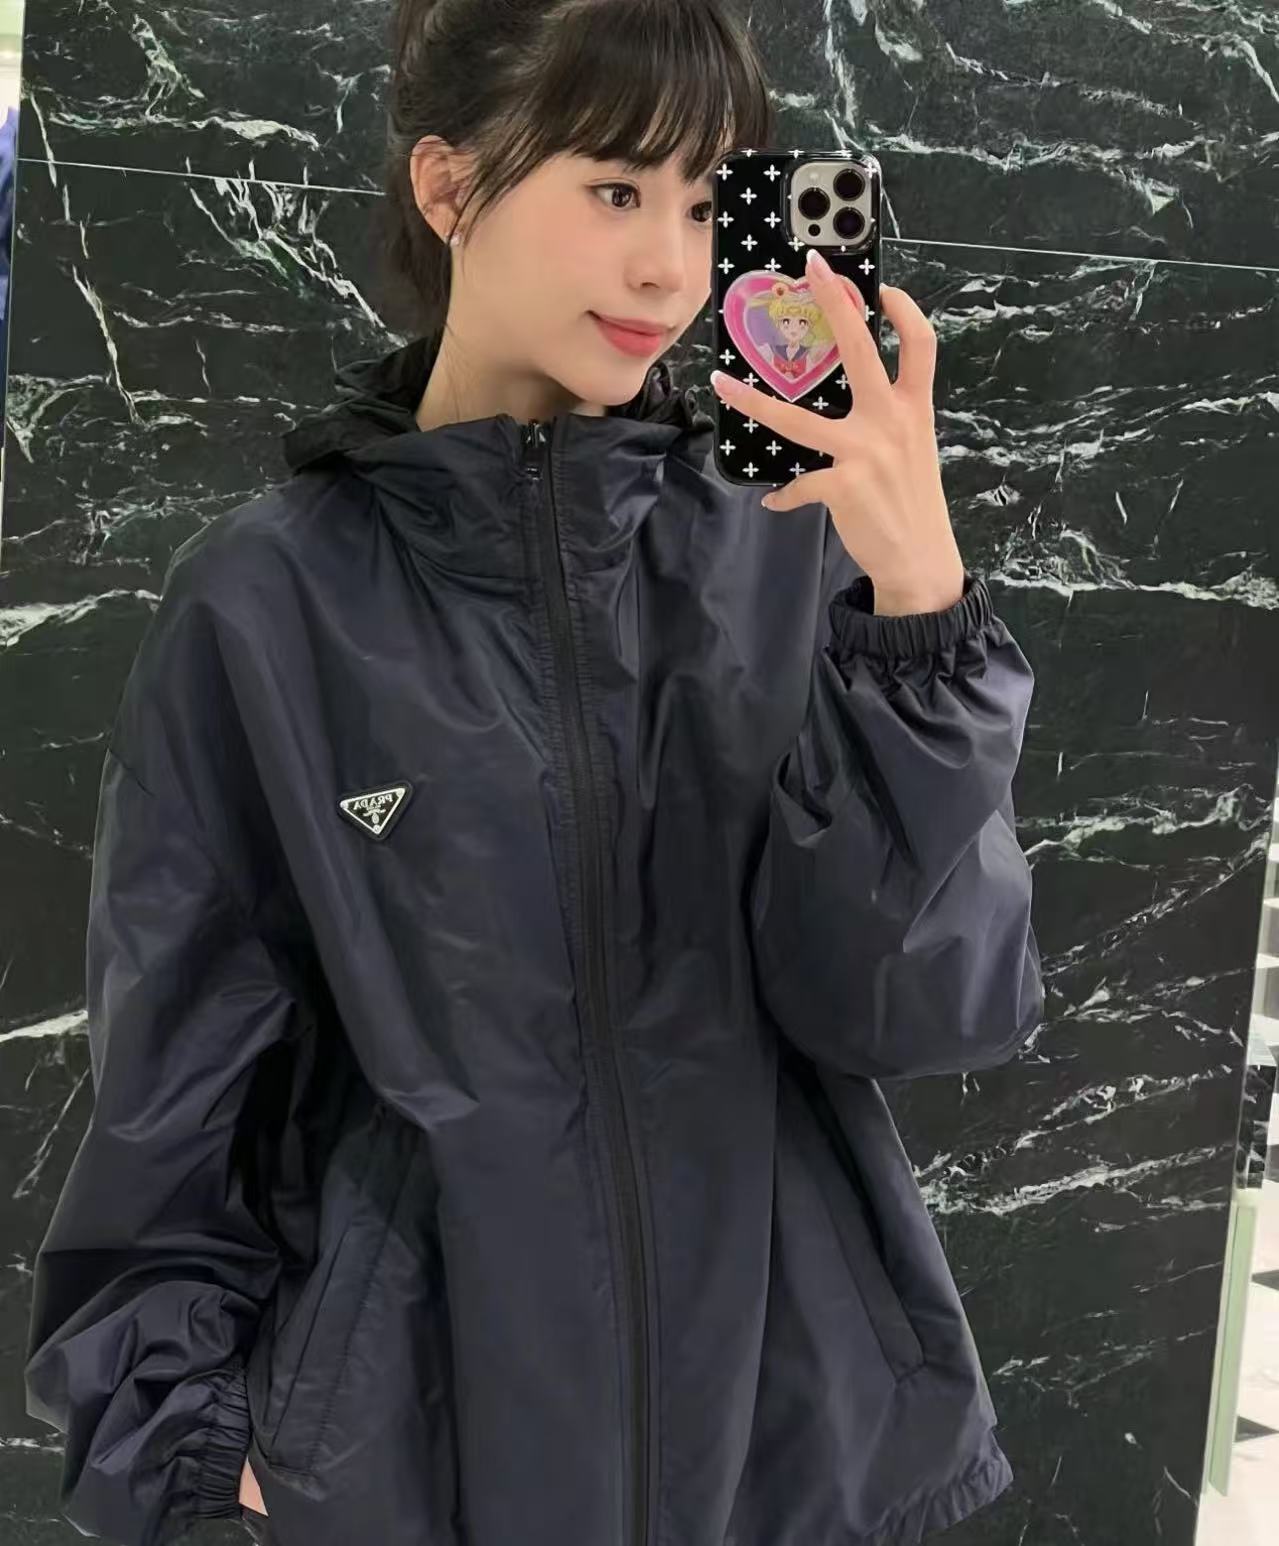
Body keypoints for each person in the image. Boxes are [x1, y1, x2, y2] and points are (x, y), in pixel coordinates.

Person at [23, 2, 1044, 1544]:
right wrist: (189, 1451)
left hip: (781, 1469)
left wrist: (915, 601)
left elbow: (915, 1008)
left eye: (703, 204)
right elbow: (179, 1089)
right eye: (616, 189)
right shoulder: (268, 604)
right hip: (418, 1473)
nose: (669, 270)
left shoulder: (784, 551)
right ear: (449, 186)